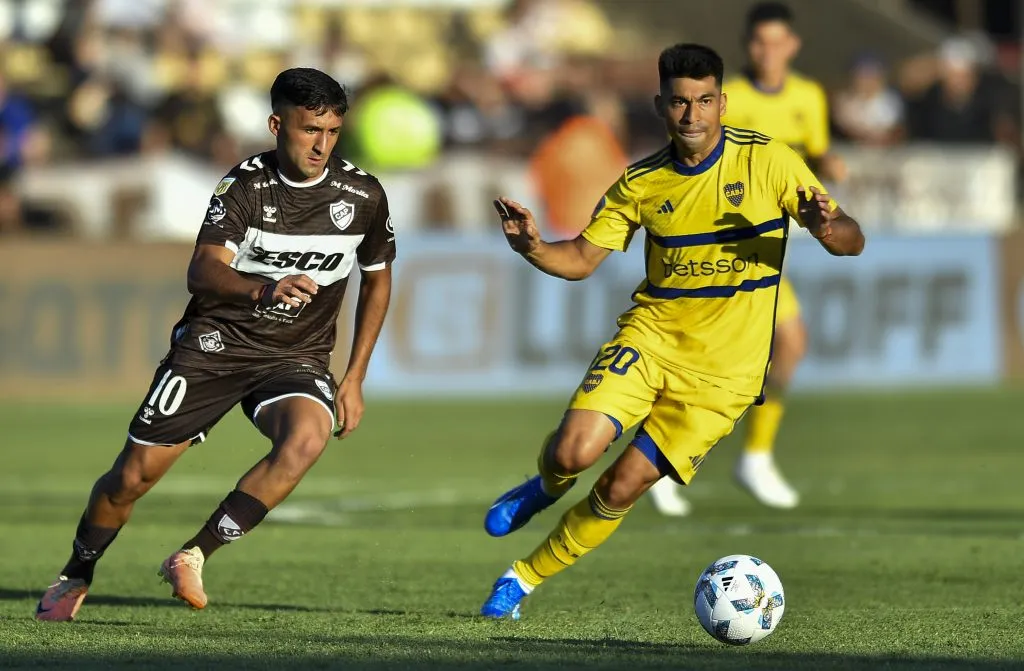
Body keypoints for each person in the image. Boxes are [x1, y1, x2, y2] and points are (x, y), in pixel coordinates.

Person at [479, 43, 863, 620]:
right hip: (652, 338)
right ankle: (547, 485)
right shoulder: (640, 182)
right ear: (661, 105)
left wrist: (829, 227)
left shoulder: (770, 162)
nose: (693, 116)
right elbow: (582, 259)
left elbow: (851, 239)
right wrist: (532, 246)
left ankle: (521, 579)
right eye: (681, 103)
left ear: (722, 103)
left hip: (724, 376)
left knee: (620, 489)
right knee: (572, 450)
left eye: (705, 101)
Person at [34, 68, 396, 621]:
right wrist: (265, 288)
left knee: (306, 440)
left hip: (295, 357)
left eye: (331, 131)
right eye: (308, 129)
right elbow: (202, 271)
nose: (321, 144)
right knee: (132, 477)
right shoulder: (246, 187)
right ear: (277, 124)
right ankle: (77, 571)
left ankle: (194, 553)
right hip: (215, 345)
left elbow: (378, 277)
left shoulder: (363, 195)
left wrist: (355, 376)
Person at [648, 2, 847, 516]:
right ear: (749, 46)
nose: (769, 51)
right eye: (760, 42)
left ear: (792, 46)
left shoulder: (809, 97)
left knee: (790, 345)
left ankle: (753, 454)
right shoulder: (723, 98)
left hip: (763, 249)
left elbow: (813, 154)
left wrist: (827, 170)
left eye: (778, 42)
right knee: (703, 356)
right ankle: (664, 459)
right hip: (712, 249)